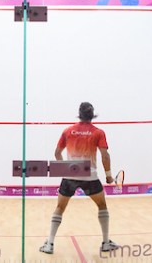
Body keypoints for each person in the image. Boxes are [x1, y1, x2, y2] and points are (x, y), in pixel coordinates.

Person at [40, 101, 118, 255]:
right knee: (102, 205)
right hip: (90, 176)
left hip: (70, 175)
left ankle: (49, 243)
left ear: (79, 114)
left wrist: (65, 169)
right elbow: (105, 155)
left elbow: (57, 153)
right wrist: (108, 176)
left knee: (60, 208)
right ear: (92, 114)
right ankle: (106, 242)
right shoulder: (98, 132)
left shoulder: (68, 131)